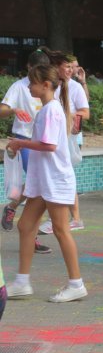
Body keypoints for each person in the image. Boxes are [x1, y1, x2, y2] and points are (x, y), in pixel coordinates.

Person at [6, 64, 87, 302]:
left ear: (46, 85)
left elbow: (49, 145)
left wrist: (20, 144)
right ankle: (22, 282)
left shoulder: (51, 110)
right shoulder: (48, 109)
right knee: (25, 226)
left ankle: (76, 284)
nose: (29, 86)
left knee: (61, 230)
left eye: (32, 82)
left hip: (54, 180)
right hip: (45, 181)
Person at [0, 49, 53, 253]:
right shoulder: (19, 87)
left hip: (42, 141)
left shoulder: (51, 87)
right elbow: (2, 109)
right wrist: (13, 110)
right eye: (34, 72)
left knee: (37, 187)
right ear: (28, 68)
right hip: (24, 141)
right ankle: (31, 237)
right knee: (37, 186)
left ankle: (13, 208)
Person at [38, 50, 90, 234]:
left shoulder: (74, 87)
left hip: (65, 138)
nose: (70, 70)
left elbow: (85, 112)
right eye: (67, 66)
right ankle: (60, 218)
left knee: (64, 175)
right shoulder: (51, 85)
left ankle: (73, 219)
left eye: (72, 67)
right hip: (54, 136)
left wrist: (65, 118)